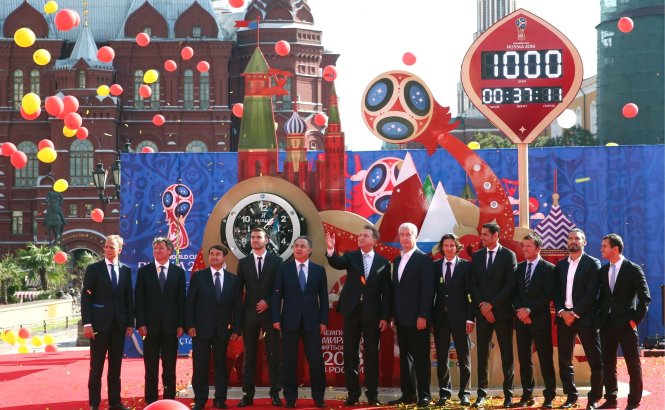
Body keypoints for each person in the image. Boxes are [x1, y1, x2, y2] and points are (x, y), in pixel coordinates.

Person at [326, 225, 391, 406]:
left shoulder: (383, 262)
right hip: (351, 311)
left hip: (373, 314)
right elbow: (337, 263)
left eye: (365, 236)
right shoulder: (351, 256)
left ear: (374, 240)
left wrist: (385, 317)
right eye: (359, 235)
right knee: (350, 354)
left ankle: (372, 395)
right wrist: (330, 250)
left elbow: (387, 293)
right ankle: (353, 394)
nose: (360, 238)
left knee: (371, 355)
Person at [272, 236, 329, 408]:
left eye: (302, 246)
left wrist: (323, 321)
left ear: (309, 250)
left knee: (316, 362)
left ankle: (318, 397)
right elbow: (276, 296)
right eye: (296, 245)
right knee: (289, 362)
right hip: (289, 321)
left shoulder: (319, 270)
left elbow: (323, 298)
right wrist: (276, 318)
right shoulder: (284, 269)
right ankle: (290, 398)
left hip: (313, 323)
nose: (298, 248)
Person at [597, 234, 651, 410]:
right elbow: (603, 298)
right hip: (606, 325)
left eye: (604, 246)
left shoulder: (633, 269)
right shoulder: (603, 271)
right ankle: (611, 399)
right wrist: (599, 318)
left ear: (615, 249)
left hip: (626, 325)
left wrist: (634, 321)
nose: (601, 249)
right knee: (608, 365)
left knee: (633, 365)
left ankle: (633, 401)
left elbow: (645, 299)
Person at [186, 245, 242, 410]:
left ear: (224, 257)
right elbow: (190, 304)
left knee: (221, 367)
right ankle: (200, 400)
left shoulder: (233, 280)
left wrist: (236, 329)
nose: (214, 257)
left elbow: (237, 307)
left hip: (223, 331)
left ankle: (220, 399)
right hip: (200, 330)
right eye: (211, 254)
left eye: (218, 254)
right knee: (200, 367)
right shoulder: (199, 277)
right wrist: (190, 325)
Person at [81, 235, 134, 410]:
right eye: (106, 247)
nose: (108, 250)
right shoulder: (94, 269)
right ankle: (94, 404)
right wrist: (87, 324)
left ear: (120, 249)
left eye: (112, 247)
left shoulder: (126, 270)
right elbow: (86, 298)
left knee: (115, 367)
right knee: (96, 367)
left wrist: (129, 323)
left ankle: (115, 403)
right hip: (98, 326)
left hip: (118, 326)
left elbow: (128, 298)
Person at [553, 228, 603, 409]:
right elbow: (556, 292)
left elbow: (592, 293)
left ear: (584, 242)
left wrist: (574, 314)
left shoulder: (592, 263)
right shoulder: (560, 265)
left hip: (585, 318)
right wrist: (562, 311)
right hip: (564, 318)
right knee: (564, 360)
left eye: (577, 238)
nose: (573, 241)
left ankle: (594, 398)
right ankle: (571, 396)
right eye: (570, 238)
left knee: (595, 360)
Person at [469, 222, 517, 409]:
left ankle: (508, 395)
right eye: (481, 234)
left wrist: (492, 306)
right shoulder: (478, 256)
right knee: (482, 354)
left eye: (486, 234)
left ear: (496, 236)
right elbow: (473, 284)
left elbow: (510, 285)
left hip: (502, 314)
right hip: (482, 313)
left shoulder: (508, 255)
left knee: (507, 355)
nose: (482, 237)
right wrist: (483, 306)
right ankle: (481, 394)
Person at [134, 237, 186, 404]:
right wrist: (140, 323)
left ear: (169, 251)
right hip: (149, 328)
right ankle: (151, 400)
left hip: (171, 327)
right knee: (151, 368)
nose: (157, 251)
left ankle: (169, 399)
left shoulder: (178, 272)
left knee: (169, 367)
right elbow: (139, 299)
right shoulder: (144, 271)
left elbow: (181, 300)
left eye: (161, 248)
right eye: (155, 248)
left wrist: (181, 324)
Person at [388, 222, 434, 408]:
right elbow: (396, 291)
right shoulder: (397, 260)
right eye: (402, 234)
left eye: (408, 234)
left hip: (418, 319)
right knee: (405, 358)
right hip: (401, 318)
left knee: (421, 358)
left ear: (416, 236)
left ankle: (424, 395)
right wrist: (393, 315)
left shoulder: (424, 260)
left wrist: (423, 315)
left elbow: (428, 291)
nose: (405, 238)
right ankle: (408, 394)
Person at [236, 227, 283, 407]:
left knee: (273, 355)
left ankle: (275, 394)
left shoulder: (277, 261)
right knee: (249, 356)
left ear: (267, 240)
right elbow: (238, 291)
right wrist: (237, 321)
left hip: (270, 314)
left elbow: (280, 288)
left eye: (259, 237)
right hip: (249, 315)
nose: (255, 240)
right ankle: (247, 395)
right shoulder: (243, 262)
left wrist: (268, 302)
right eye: (253, 237)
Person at [512, 233, 556, 409]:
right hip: (521, 321)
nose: (525, 249)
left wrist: (529, 310)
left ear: (538, 248)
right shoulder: (519, 268)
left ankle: (549, 396)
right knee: (524, 359)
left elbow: (548, 294)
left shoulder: (549, 269)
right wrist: (520, 311)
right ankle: (527, 395)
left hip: (540, 320)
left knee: (545, 359)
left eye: (529, 246)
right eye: (523, 246)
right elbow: (514, 293)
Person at [431, 233, 474, 407]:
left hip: (461, 319)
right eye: (446, 245)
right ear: (442, 248)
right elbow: (430, 293)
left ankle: (465, 394)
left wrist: (470, 318)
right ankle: (444, 393)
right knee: (442, 358)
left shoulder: (466, 266)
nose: (449, 248)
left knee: (464, 358)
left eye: (452, 245)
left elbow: (470, 295)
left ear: (457, 247)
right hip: (440, 318)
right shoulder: (435, 266)